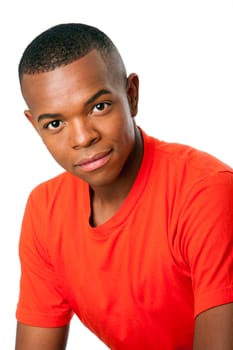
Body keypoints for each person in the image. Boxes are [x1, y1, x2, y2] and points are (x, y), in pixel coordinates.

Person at [15, 23, 233, 350]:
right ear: (35, 126)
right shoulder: (45, 209)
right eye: (55, 123)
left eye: (99, 106)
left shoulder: (205, 194)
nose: (82, 137)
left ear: (131, 95)